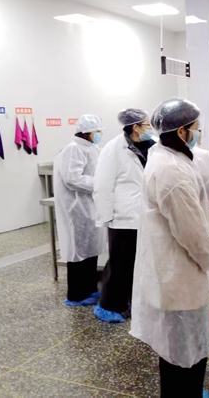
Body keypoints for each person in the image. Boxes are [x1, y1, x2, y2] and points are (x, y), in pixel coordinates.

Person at [130, 98, 209, 398]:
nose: (199, 133)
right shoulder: (172, 172)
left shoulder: (169, 159)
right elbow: (192, 233)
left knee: (176, 352)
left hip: (172, 270)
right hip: (179, 274)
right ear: (182, 131)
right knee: (184, 354)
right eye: (196, 127)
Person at [92, 108, 155, 323]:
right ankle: (109, 305)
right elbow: (102, 186)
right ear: (135, 127)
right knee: (121, 264)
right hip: (123, 217)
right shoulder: (113, 149)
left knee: (142, 263)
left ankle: (134, 302)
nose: (150, 128)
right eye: (147, 124)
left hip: (147, 216)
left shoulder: (153, 145)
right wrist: (105, 217)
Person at [53, 114, 106, 307]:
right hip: (76, 209)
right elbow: (72, 179)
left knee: (90, 250)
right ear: (87, 132)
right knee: (78, 253)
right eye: (97, 131)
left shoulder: (92, 148)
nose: (99, 134)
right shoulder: (74, 149)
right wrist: (100, 184)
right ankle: (76, 295)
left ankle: (89, 288)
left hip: (89, 206)